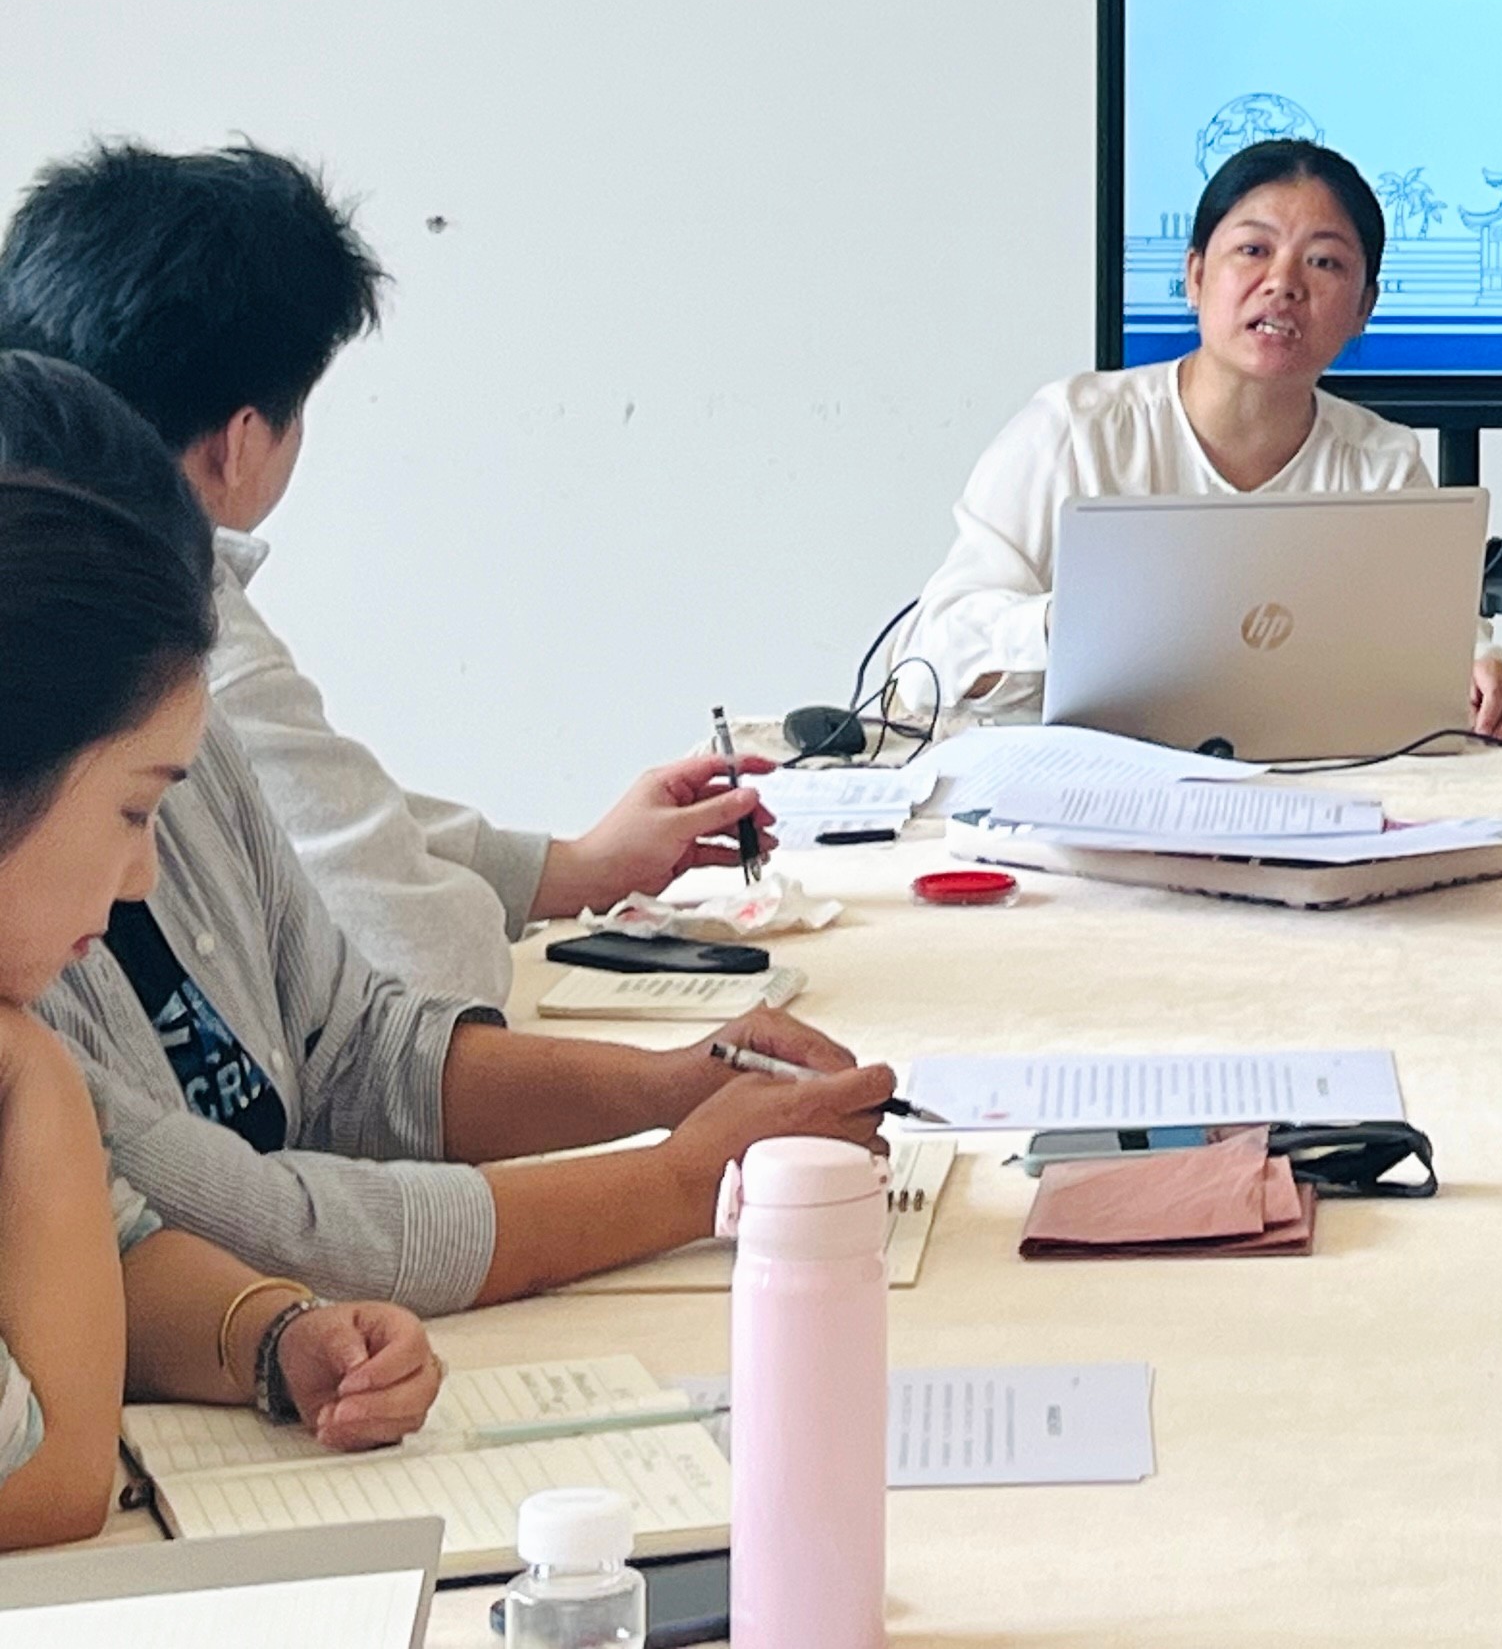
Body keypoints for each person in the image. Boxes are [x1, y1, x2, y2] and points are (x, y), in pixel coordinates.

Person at [0, 363, 905, 1317]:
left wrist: (677, 1085)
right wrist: (686, 1179)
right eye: (133, 812)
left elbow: (354, 1047)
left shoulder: (174, 734)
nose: (143, 869)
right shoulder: (26, 1009)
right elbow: (255, 1230)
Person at [0, 143, 767, 1005]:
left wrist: (574, 867)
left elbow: (312, 812)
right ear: (241, 440)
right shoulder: (177, 618)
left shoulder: (55, 565)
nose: (137, 869)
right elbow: (426, 961)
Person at [0, 444, 448, 1548]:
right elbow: (49, 1468)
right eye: (132, 811)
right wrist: (37, 1084)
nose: (143, 875)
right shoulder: (22, 1058)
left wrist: (273, 1333)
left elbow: (109, 1252)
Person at [913, 137, 1502, 739]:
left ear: (1363, 309)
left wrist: (1491, 676)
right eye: (1253, 250)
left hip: (1316, 783)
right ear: (1194, 277)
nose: (1283, 283)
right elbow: (928, 658)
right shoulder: (1075, 431)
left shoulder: (1381, 464)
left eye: (1324, 262)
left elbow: (1446, 645)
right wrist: (1073, 621)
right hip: (1093, 784)